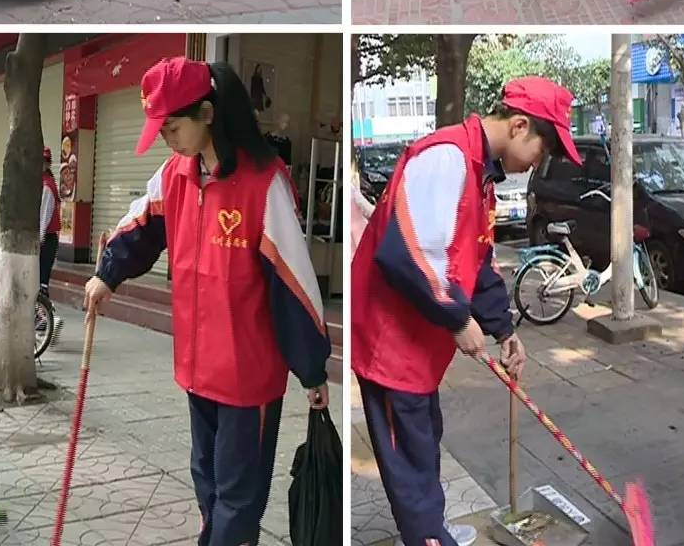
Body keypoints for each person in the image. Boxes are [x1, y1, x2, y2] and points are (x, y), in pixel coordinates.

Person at [84, 57, 331, 545]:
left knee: (239, 494)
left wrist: (312, 369)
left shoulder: (265, 184)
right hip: (198, 370)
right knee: (207, 480)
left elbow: (294, 283)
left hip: (247, 377)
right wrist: (106, 276)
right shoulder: (175, 175)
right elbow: (140, 228)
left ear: (208, 114)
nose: (166, 138)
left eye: (173, 126)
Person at [353, 76, 580, 546]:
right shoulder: (446, 158)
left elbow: (475, 258)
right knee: (409, 460)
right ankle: (426, 536)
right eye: (545, 149)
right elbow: (404, 255)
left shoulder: (481, 173)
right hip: (389, 344)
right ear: (519, 126)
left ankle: (430, 528)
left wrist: (504, 330)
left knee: (424, 437)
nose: (542, 162)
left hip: (417, 342)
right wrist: (458, 320)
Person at [38, 146, 60, 296]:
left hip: (46, 241)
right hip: (45, 240)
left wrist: (38, 241)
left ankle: (44, 318)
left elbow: (43, 218)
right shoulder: (41, 183)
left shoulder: (47, 187)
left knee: (41, 284)